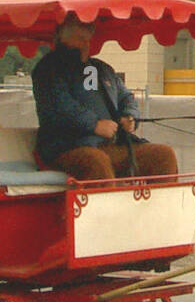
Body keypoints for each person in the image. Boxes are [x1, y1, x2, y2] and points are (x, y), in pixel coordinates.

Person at [31, 12, 178, 181]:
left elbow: (126, 97)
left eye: (88, 39)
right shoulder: (48, 69)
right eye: (80, 39)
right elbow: (59, 106)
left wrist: (130, 116)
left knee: (163, 155)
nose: (86, 44)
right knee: (97, 161)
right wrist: (94, 124)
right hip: (66, 148)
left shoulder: (102, 69)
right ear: (61, 39)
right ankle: (109, 207)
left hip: (111, 145)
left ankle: (159, 206)